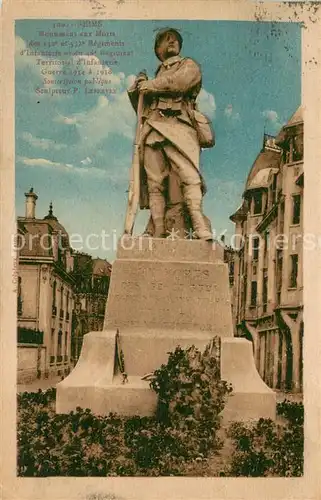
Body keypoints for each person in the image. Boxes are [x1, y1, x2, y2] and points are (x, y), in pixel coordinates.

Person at [127, 27, 214, 240]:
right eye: (166, 39)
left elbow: (180, 83)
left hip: (180, 126)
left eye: (175, 39)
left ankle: (199, 225)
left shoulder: (188, 65)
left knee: (189, 176)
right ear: (158, 49)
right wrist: (136, 89)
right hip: (153, 130)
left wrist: (150, 85)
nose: (172, 42)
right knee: (155, 183)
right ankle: (158, 230)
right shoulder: (153, 76)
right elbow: (141, 109)